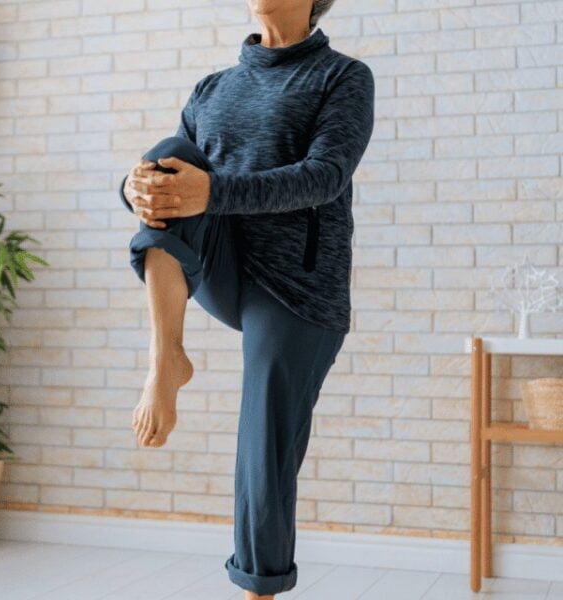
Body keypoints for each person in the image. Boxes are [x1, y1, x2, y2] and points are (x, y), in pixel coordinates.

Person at [118, 1, 375, 597]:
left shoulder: (342, 76)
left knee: (264, 448)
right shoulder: (213, 87)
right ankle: (167, 360)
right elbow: (175, 185)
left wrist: (213, 192)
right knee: (167, 152)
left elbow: (325, 176)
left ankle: (257, 590)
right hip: (223, 267)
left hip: (298, 287)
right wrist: (132, 185)